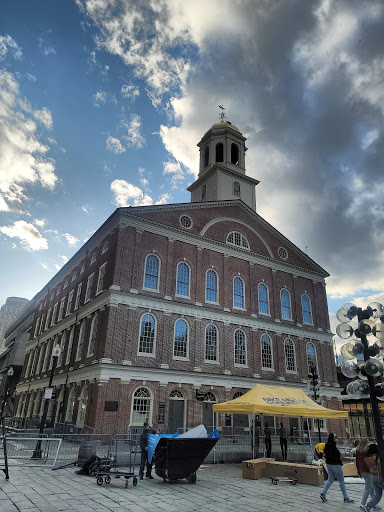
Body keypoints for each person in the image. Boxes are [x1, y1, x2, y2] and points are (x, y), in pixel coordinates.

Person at [320, 433, 354, 503]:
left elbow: (326, 455)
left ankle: (323, 493)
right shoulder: (333, 447)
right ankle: (346, 497)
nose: (337, 439)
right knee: (341, 481)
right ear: (333, 439)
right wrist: (340, 462)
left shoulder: (327, 446)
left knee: (330, 479)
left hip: (329, 464)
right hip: (336, 465)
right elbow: (336, 457)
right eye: (336, 437)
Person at [361, 444, 383, 511]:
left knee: (377, 495)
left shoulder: (368, 458)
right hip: (380, 476)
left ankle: (368, 506)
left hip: (373, 476)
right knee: (377, 495)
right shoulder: (378, 457)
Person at [356, 439, 374, 511]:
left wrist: (359, 472)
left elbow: (357, 461)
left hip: (362, 471)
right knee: (368, 488)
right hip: (368, 470)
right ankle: (362, 504)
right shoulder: (367, 451)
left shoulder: (358, 451)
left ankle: (374, 503)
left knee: (371, 488)